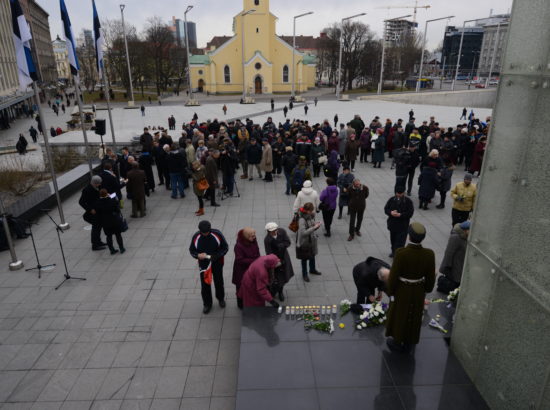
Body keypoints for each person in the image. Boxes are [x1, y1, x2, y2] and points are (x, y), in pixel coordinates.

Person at [385, 222, 436, 352]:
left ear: (409, 236)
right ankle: (410, 341)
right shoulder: (429, 254)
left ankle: (397, 340)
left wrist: (390, 292)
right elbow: (430, 278)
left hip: (403, 289)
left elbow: (393, 276)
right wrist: (426, 289)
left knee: (400, 314)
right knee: (414, 315)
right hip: (418, 289)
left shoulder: (401, 253)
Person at [189, 220, 229, 314]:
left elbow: (225, 247)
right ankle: (207, 304)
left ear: (210, 229)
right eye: (204, 233)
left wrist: (217, 255)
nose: (206, 234)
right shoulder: (196, 237)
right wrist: (197, 255)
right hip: (204, 264)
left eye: (207, 232)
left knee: (219, 281)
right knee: (205, 284)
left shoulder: (217, 234)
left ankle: (220, 298)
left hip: (217, 262)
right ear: (200, 231)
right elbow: (192, 250)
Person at [264, 222, 294, 301]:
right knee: (275, 277)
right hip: (275, 261)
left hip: (284, 257)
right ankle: (274, 290)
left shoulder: (282, 231)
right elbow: (268, 252)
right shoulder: (267, 240)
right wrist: (275, 261)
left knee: (283, 276)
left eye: (275, 230)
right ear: (268, 231)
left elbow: (288, 242)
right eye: (272, 231)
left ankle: (280, 292)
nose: (274, 232)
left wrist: (280, 246)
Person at [438, 220, 470, 294]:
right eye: (469, 230)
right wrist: (446, 268)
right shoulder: (455, 237)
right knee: (454, 284)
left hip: (460, 264)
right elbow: (448, 253)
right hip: (454, 266)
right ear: (465, 230)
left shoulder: (466, 237)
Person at [233, 227, 261, 309]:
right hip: (241, 271)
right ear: (246, 236)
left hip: (252, 269)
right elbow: (239, 260)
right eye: (252, 236)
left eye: (254, 235)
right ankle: (240, 304)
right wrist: (254, 260)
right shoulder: (238, 246)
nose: (254, 237)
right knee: (240, 287)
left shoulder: (253, 240)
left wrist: (258, 258)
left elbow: (257, 249)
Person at [384, 186, 414, 257]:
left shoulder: (408, 201)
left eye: (400, 194)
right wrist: (391, 212)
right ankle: (393, 251)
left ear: (403, 193)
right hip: (393, 225)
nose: (399, 195)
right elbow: (386, 209)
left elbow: (410, 213)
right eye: (397, 193)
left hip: (403, 226)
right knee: (393, 240)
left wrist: (400, 215)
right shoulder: (392, 199)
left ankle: (398, 255)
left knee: (400, 243)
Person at [93, 189, 125, 255]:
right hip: (114, 221)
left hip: (105, 222)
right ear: (107, 193)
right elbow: (117, 210)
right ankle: (121, 248)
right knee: (118, 235)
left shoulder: (97, 203)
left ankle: (112, 250)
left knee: (109, 236)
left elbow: (97, 213)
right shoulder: (112, 200)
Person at [296, 202, 322, 282]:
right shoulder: (302, 220)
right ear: (307, 211)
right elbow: (303, 233)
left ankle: (312, 269)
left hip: (311, 241)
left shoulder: (309, 216)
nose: (312, 212)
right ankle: (305, 274)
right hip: (304, 242)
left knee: (312, 255)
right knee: (304, 259)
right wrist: (314, 228)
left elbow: (311, 224)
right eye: (311, 210)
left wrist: (316, 224)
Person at [79, 175, 105, 250]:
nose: (100, 185)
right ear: (94, 183)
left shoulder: (97, 187)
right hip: (92, 213)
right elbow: (81, 202)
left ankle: (99, 241)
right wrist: (90, 209)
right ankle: (95, 245)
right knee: (95, 228)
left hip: (98, 211)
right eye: (98, 183)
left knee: (99, 227)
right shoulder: (86, 190)